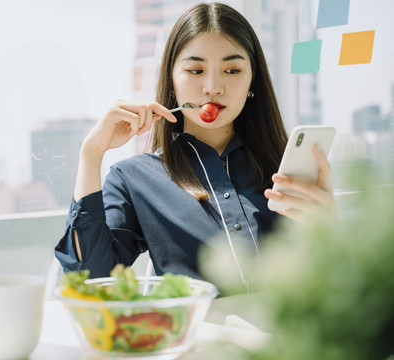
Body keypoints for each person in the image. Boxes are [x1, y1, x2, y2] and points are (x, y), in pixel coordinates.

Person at [54, 2, 335, 284]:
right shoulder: (133, 179)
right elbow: (90, 280)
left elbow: (333, 283)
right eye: (196, 71)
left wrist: (327, 227)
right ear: (172, 81)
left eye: (232, 70)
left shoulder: (284, 168)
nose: (213, 87)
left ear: (252, 82)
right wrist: (91, 154)